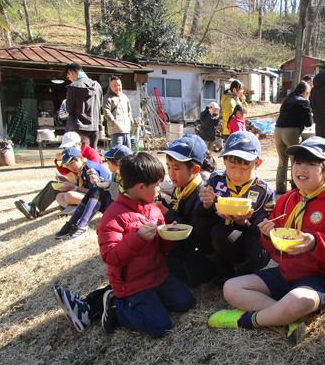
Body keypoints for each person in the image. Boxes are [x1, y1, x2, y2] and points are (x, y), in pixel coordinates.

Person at [207, 137, 325, 344]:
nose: (302, 168)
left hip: (320, 279)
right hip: (287, 272)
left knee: (300, 300)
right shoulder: (287, 199)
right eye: (298, 163)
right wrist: (267, 235)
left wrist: (315, 243)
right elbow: (274, 250)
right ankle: (286, 318)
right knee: (231, 288)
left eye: (311, 164)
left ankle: (247, 320)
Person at [97, 152, 195, 336]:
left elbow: (162, 249)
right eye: (157, 185)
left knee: (186, 302)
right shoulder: (113, 217)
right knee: (160, 327)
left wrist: (167, 235)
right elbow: (110, 256)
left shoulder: (153, 211)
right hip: (133, 285)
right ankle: (117, 309)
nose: (159, 189)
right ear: (141, 187)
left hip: (158, 276)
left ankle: (152, 303)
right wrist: (138, 237)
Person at [195, 131, 274, 285]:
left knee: (245, 242)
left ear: (258, 163)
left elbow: (261, 236)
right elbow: (201, 217)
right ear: (224, 161)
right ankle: (223, 269)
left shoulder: (264, 192)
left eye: (245, 168)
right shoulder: (215, 180)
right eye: (232, 166)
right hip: (223, 236)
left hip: (249, 242)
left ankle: (243, 272)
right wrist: (206, 204)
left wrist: (243, 222)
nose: (237, 174)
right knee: (206, 227)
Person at [157, 135, 217, 287]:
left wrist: (166, 212)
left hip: (200, 256)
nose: (171, 173)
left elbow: (193, 230)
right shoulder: (181, 188)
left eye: (176, 168)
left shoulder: (201, 194)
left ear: (195, 169)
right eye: (168, 167)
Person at [55, 144, 129, 240]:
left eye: (108, 160)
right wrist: (103, 183)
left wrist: (103, 185)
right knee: (94, 190)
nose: (106, 163)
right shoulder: (116, 173)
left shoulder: (128, 176)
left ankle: (80, 225)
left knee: (94, 191)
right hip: (115, 205)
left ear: (118, 162)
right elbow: (114, 188)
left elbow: (121, 196)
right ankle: (73, 223)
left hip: (124, 212)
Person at [14, 146, 110, 220]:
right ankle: (73, 209)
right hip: (89, 195)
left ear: (80, 157)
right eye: (67, 165)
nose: (70, 167)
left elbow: (94, 192)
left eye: (72, 163)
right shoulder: (80, 168)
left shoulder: (89, 169)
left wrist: (74, 187)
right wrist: (67, 182)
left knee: (69, 195)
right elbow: (81, 185)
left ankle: (79, 209)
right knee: (59, 195)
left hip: (101, 199)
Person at [274, 80, 313, 194]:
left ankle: (280, 188)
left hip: (277, 130)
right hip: (291, 131)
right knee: (294, 161)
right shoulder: (303, 102)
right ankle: (295, 188)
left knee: (282, 161)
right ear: (305, 92)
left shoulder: (287, 100)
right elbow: (309, 123)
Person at [64, 62, 103, 149]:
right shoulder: (97, 86)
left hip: (77, 127)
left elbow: (69, 108)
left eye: (68, 76)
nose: (69, 79)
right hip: (94, 127)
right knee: (92, 156)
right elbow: (100, 104)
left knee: (77, 156)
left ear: (71, 72)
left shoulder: (73, 87)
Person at [103, 76, 134, 149]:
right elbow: (106, 111)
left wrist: (131, 121)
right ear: (110, 86)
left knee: (128, 153)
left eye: (119, 85)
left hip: (126, 130)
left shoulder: (124, 97)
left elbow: (129, 111)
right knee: (118, 153)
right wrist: (113, 122)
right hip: (116, 130)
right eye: (114, 86)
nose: (117, 87)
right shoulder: (107, 97)